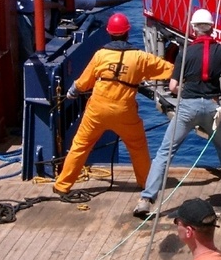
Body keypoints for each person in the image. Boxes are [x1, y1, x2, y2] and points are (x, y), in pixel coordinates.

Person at [133, 8, 221, 218]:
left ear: (193, 29)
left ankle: (146, 200)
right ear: (212, 28)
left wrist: (188, 92)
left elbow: (173, 87)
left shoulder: (185, 53)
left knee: (165, 153)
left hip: (187, 108)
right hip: (212, 107)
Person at [52, 12, 174, 195]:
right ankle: (145, 183)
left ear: (109, 33)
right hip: (124, 111)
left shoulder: (100, 55)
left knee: (80, 145)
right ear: (127, 33)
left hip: (97, 111)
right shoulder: (140, 58)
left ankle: (62, 186)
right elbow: (170, 70)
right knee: (137, 146)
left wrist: (71, 92)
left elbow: (83, 82)